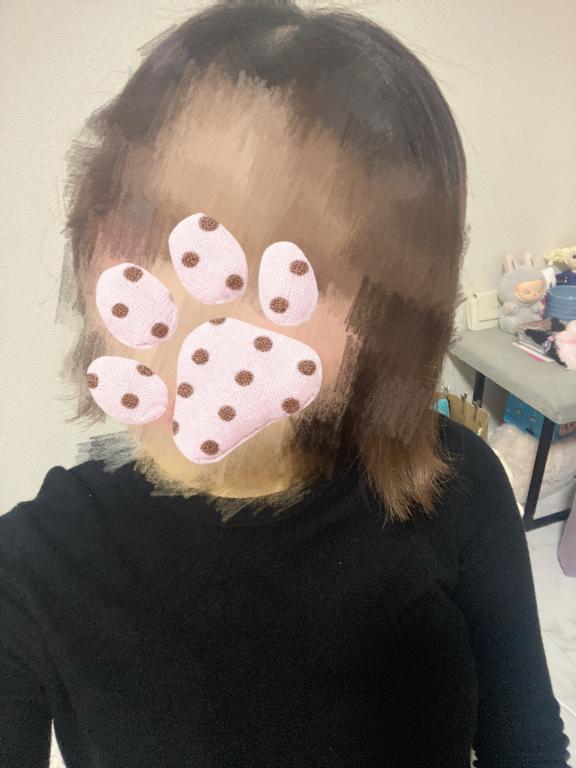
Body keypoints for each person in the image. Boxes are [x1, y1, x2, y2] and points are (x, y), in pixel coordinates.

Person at [0, 2, 571, 766]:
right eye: (163, 228)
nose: (206, 311)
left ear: (385, 318)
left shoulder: (456, 488)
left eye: (299, 264)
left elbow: (526, 744)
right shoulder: (34, 565)